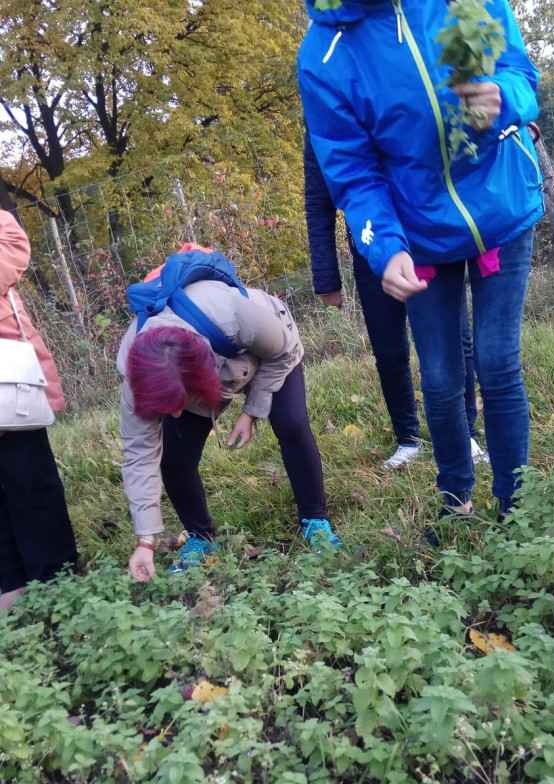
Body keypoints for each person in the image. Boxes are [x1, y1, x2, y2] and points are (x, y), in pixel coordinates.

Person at [298, 0, 544, 524]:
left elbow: (519, 70)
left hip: (500, 204)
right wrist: (383, 247)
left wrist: (507, 97)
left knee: (499, 362)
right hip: (420, 233)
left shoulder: (464, 4)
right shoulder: (324, 54)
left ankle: (515, 511)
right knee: (438, 377)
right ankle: (457, 502)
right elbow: (353, 173)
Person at [117, 268, 341, 582]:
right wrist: (145, 540)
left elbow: (283, 351)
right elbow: (139, 454)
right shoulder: (136, 375)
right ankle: (200, 537)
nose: (177, 415)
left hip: (270, 349)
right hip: (200, 376)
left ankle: (315, 520)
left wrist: (251, 411)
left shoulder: (235, 315)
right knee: (175, 458)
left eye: (181, 404)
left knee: (291, 425)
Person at [303, 130, 489, 470]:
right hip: (370, 248)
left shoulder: (398, 92)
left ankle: (467, 434)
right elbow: (319, 204)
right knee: (388, 351)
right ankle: (409, 440)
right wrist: (326, 277)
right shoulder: (325, 121)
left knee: (454, 341)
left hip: (429, 239)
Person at [0, 211, 78, 608]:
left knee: (31, 479)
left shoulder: (1, 223)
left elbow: (11, 253)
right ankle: (8, 584)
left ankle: (54, 577)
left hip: (7, 379)